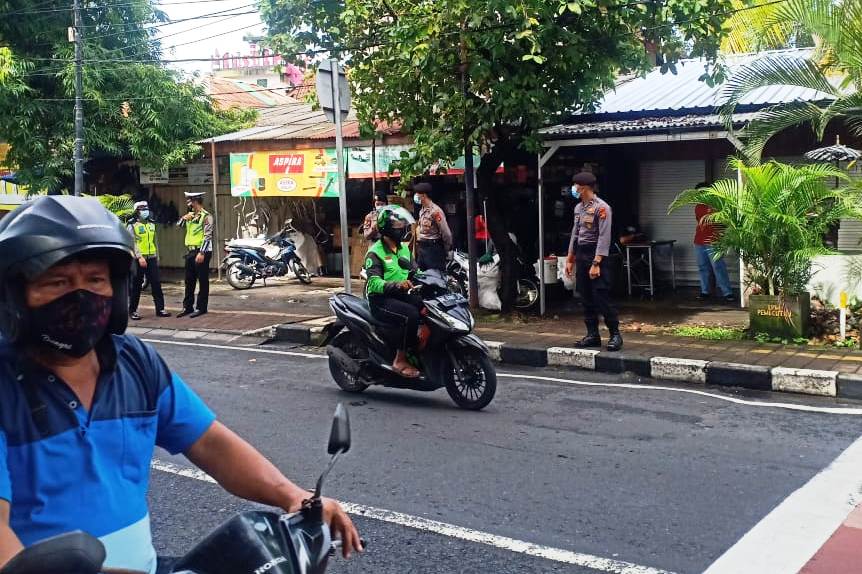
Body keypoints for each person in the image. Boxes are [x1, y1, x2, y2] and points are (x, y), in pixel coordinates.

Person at [0, 196, 361, 574]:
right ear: (14, 297)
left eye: (95, 280)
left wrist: (295, 497)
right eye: (58, 282)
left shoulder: (135, 363)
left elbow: (210, 443)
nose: (81, 297)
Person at [564, 171, 623, 352]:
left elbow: (604, 237)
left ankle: (615, 335)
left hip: (597, 256)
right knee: (585, 296)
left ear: (583, 188)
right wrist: (570, 258)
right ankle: (592, 335)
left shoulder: (602, 208)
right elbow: (575, 234)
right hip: (581, 254)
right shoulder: (578, 208)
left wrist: (596, 263)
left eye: (575, 186)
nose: (573, 189)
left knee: (601, 296)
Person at [364, 206, 422, 378]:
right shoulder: (375, 253)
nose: (402, 227)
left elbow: (416, 271)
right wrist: (397, 285)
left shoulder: (403, 248)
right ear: (387, 228)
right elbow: (374, 283)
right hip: (380, 300)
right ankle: (400, 359)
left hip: (401, 295)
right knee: (410, 315)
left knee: (426, 306)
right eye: (398, 225)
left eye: (403, 224)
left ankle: (417, 348)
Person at [128, 200, 170, 321]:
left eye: (146, 209)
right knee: (136, 285)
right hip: (138, 259)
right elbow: (132, 242)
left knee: (156, 283)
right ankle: (133, 311)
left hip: (151, 257)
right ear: (137, 212)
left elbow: (154, 241)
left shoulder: (151, 223)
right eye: (142, 209)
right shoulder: (132, 225)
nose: (145, 211)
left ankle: (160, 309)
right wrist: (139, 257)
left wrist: (157, 256)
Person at [693, 183, 734, 303]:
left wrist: (721, 237)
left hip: (713, 241)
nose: (699, 195)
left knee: (718, 267)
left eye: (701, 192)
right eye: (698, 193)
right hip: (699, 241)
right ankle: (705, 291)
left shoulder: (717, 204)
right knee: (702, 267)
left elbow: (724, 222)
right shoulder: (698, 206)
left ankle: (727, 292)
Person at [178, 191, 213, 318]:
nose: (188, 203)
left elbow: (207, 236)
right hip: (191, 251)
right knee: (189, 280)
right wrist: (184, 218)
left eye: (189, 201)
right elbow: (179, 225)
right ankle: (188, 307)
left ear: (195, 202)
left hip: (202, 251)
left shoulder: (207, 216)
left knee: (202, 281)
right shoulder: (190, 216)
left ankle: (201, 308)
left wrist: (202, 252)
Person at [414, 182, 452, 272]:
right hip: (422, 248)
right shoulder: (422, 210)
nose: (415, 196)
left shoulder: (435, 211)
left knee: (435, 275)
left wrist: (445, 249)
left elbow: (446, 233)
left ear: (423, 196)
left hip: (433, 248)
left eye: (417, 194)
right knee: (421, 275)